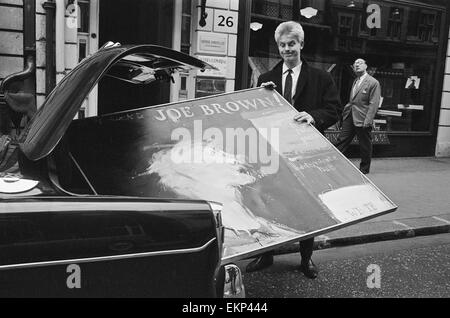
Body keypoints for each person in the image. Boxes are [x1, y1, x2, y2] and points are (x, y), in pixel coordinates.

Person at [246, 21, 341, 278]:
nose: (287, 49)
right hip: (272, 154)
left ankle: (305, 258)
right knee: (267, 204)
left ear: (301, 44)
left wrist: (314, 116)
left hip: (305, 154)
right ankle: (265, 253)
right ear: (278, 47)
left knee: (305, 206)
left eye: (291, 44)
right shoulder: (266, 79)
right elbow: (254, 115)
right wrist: (259, 98)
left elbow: (334, 109)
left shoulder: (322, 77)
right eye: (282, 45)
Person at [335, 58, 381, 174]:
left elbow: (374, 103)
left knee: (365, 144)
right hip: (350, 116)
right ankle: (333, 163)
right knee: (342, 140)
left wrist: (368, 120)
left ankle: (364, 169)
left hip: (363, 118)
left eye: (360, 63)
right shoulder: (355, 81)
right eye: (355, 64)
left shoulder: (373, 82)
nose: (357, 65)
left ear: (366, 66)